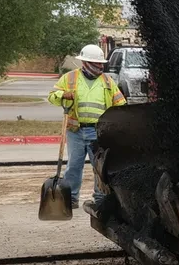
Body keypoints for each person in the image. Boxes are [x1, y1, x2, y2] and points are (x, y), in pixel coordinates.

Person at [48, 44, 126, 209]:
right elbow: (52, 97)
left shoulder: (107, 81)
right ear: (86, 62)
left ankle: (100, 199)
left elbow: (120, 103)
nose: (99, 66)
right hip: (75, 131)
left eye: (100, 64)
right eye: (96, 63)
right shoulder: (69, 78)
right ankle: (71, 198)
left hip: (98, 132)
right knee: (74, 166)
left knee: (99, 167)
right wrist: (63, 95)